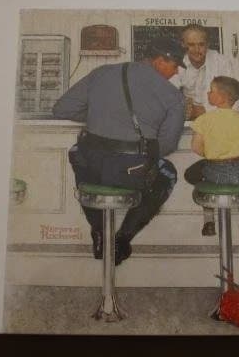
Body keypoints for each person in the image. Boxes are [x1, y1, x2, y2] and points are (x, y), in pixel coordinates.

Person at [52, 36, 186, 265]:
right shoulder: (173, 96)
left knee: (77, 152)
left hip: (92, 167)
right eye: (175, 66)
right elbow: (167, 146)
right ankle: (122, 239)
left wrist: (100, 116)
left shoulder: (101, 73)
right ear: (160, 60)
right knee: (167, 173)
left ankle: (98, 231)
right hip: (130, 173)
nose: (176, 73)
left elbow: (61, 109)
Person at [188, 76, 239, 242]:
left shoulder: (204, 119)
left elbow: (195, 147)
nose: (208, 93)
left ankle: (209, 222)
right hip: (238, 173)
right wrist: (236, 152)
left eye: (211, 91)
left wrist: (212, 154)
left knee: (203, 178)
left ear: (222, 97)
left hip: (214, 173)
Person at [170, 24, 232, 120]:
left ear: (208, 44)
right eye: (191, 45)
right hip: (187, 119)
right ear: (183, 44)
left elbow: (230, 100)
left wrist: (199, 111)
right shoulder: (177, 63)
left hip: (217, 118)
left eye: (201, 44)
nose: (197, 50)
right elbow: (168, 96)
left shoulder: (222, 62)